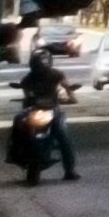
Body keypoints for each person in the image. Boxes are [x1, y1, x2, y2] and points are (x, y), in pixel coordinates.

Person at [14, 45, 75, 183]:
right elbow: (26, 93)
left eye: (42, 63)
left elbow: (66, 87)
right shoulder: (29, 78)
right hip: (34, 110)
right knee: (18, 122)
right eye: (38, 63)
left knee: (63, 136)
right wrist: (28, 99)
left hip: (52, 110)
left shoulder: (56, 75)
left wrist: (70, 96)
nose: (41, 66)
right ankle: (14, 151)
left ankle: (69, 169)